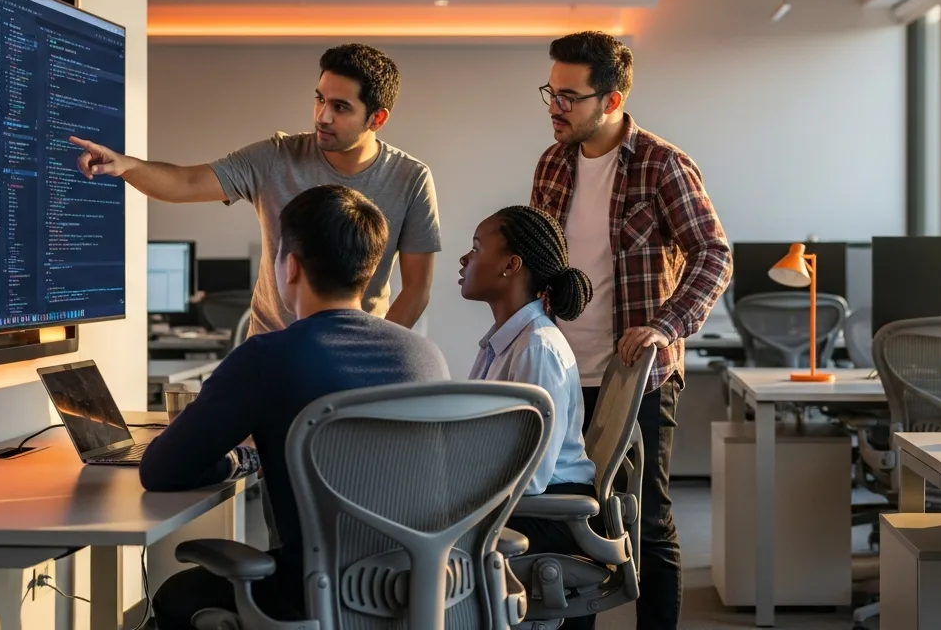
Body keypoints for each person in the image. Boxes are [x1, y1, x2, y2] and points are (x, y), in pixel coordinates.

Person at [141, 184, 450, 629]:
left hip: (314, 597)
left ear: (289, 267)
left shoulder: (266, 357)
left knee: (174, 596)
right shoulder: (425, 356)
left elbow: (162, 471)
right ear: (369, 269)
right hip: (422, 592)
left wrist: (232, 461)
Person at [530, 31, 732, 628]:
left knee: (647, 518)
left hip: (634, 377)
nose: (554, 107)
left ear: (610, 100)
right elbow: (545, 262)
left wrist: (666, 327)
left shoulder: (661, 164)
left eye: (569, 96)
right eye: (551, 91)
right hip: (562, 372)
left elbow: (713, 255)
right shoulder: (551, 163)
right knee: (569, 519)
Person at [70, 44, 439, 335]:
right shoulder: (275, 156)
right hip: (271, 354)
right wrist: (126, 165)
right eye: (320, 99)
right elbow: (185, 182)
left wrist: (372, 352)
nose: (322, 116)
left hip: (356, 356)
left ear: (378, 118)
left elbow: (416, 289)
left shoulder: (411, 179)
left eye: (340, 107)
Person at [458, 206, 599, 625]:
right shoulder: (506, 343)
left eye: (476, 248)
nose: (465, 260)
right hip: (525, 504)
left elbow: (532, 477)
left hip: (546, 514)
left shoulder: (537, 347)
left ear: (510, 265)